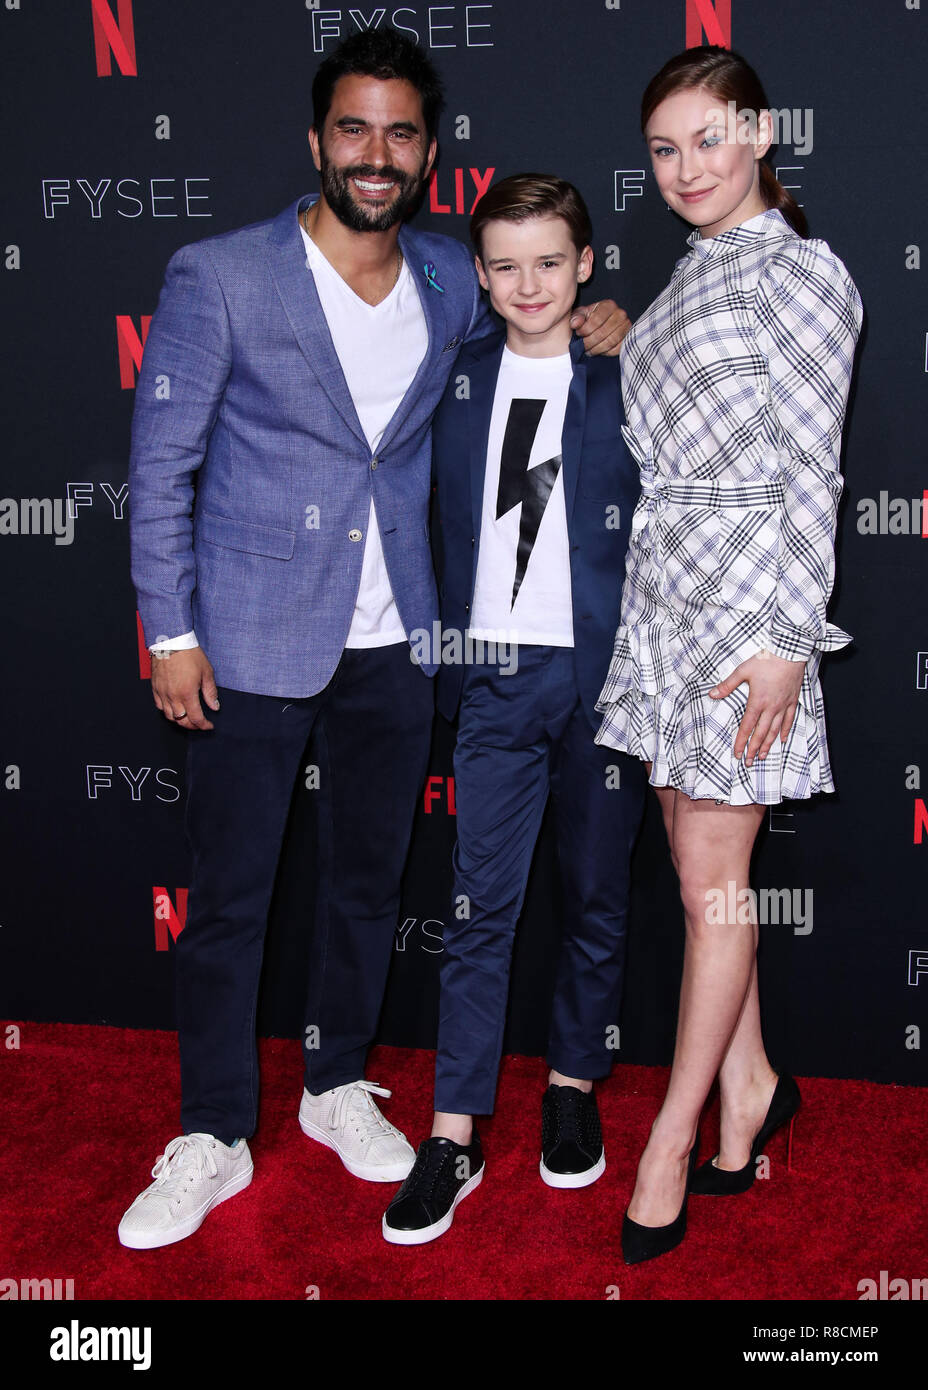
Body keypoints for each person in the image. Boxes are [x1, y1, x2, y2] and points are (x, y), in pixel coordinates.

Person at [119, 29, 630, 1250]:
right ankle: (211, 1132)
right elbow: (160, 467)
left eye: (401, 131)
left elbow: (537, 326)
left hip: (405, 637)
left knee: (364, 882)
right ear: (316, 142)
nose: (376, 153)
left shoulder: (459, 279)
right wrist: (170, 629)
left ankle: (336, 1082)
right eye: (354, 128)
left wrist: (612, 318)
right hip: (246, 634)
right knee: (233, 898)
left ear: (427, 151)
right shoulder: (220, 272)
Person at [594, 45, 862, 1264]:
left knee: (713, 883)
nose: (686, 166)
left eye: (709, 138)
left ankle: (672, 1140)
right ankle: (748, 1086)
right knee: (692, 860)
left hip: (744, 605)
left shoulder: (801, 273)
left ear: (759, 135)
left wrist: (784, 642)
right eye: (664, 148)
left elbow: (812, 466)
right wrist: (616, 329)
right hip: (666, 596)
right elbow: (681, 394)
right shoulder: (698, 271)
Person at [382, 175, 646, 1245]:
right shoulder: (451, 377)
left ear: (586, 264)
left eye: (551, 261)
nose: (528, 283)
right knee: (479, 910)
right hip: (491, 679)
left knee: (593, 897)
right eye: (505, 264)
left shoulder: (630, 371)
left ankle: (573, 1081)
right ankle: (453, 1133)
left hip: (605, 679)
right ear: (478, 275)